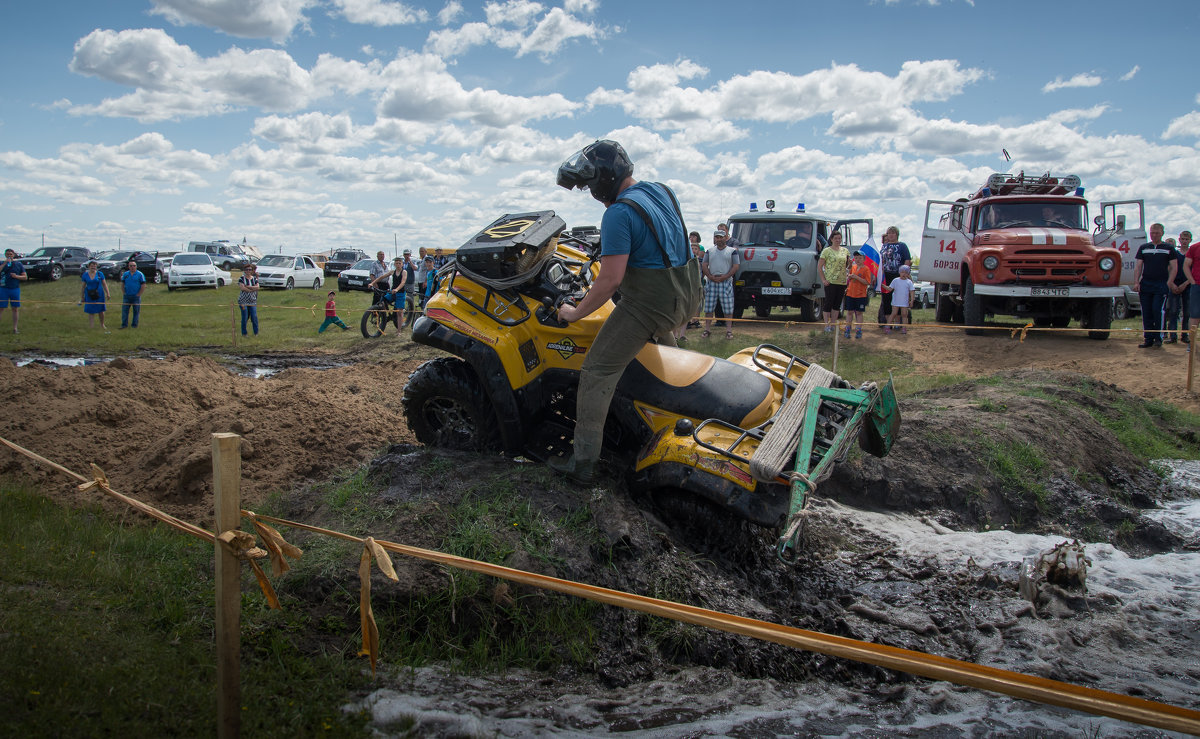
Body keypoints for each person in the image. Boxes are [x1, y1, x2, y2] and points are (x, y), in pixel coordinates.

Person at [551, 139, 701, 483]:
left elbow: (609, 282)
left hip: (652, 303)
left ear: (602, 179)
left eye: (589, 183)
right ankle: (678, 401)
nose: (589, 189)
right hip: (687, 295)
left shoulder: (617, 212)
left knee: (596, 371)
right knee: (662, 351)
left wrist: (575, 313)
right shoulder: (660, 190)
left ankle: (583, 464)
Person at [1132, 223, 1177, 349]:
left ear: (1162, 233)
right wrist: (1136, 282)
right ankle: (1148, 338)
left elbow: (1174, 267)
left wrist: (1170, 281)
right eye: (1152, 232)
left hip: (1161, 284)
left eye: (1157, 233)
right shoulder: (1144, 247)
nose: (1154, 235)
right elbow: (1138, 266)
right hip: (1146, 283)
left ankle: (1159, 337)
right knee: (1146, 311)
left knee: (1157, 310)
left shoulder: (1168, 248)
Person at [701, 228, 739, 339]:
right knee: (708, 307)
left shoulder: (732, 251)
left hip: (726, 281)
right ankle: (707, 330)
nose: (719, 239)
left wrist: (726, 276)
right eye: (717, 237)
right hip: (712, 281)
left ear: (725, 238)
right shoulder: (709, 251)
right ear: (715, 239)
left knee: (728, 308)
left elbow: (736, 266)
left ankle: (729, 331)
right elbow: (704, 265)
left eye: (721, 237)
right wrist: (710, 276)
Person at [877, 226, 911, 326]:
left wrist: (904, 273)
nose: (891, 235)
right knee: (886, 298)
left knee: (898, 298)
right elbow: (880, 261)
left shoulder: (902, 246)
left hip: (898, 275)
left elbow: (907, 260)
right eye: (889, 233)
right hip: (885, 275)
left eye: (893, 233)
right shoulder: (884, 246)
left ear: (897, 235)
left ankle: (897, 321)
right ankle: (888, 322)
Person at [817, 230, 850, 332]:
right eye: (835, 238)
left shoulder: (845, 251)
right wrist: (823, 280)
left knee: (837, 304)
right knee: (828, 303)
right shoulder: (826, 251)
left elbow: (847, 265)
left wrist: (850, 264)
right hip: (830, 281)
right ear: (831, 239)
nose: (838, 240)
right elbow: (819, 267)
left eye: (839, 238)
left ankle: (833, 323)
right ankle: (827, 324)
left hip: (842, 281)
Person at [367, 257, 408, 336]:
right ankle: (385, 315)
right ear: (394, 264)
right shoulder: (393, 271)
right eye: (396, 263)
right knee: (383, 300)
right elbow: (381, 277)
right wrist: (372, 283)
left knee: (399, 313)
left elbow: (403, 282)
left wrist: (397, 289)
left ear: (402, 264)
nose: (398, 264)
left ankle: (399, 331)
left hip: (400, 293)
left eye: (400, 263)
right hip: (392, 292)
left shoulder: (404, 272)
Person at [1165, 231, 1191, 344]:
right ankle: (1172, 336)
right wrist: (1171, 283)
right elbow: (1169, 269)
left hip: (1188, 285)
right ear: (1179, 239)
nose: (1184, 241)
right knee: (1173, 311)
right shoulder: (1174, 253)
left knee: (1187, 312)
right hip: (1174, 284)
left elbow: (1194, 272)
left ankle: (1185, 335)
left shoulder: (1191, 253)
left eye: (1187, 239)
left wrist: (1185, 284)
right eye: (1183, 239)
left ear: (1190, 240)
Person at [843, 250, 872, 339]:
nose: (858, 260)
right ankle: (848, 328)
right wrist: (850, 276)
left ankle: (858, 329)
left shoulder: (866, 269)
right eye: (856, 258)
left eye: (860, 258)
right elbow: (848, 275)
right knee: (849, 312)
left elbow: (867, 282)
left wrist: (856, 277)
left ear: (864, 259)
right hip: (850, 293)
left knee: (859, 312)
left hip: (861, 294)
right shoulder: (853, 267)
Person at [0, 248, 28, 334]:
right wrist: (5, 263)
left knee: (15, 309)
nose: (9, 256)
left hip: (14, 289)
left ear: (14, 255)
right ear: (5, 255)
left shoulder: (18, 264)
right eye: (7, 254)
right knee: (1, 308)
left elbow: (25, 277)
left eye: (11, 254)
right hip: (3, 288)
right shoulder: (1, 263)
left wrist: (16, 277)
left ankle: (15, 328)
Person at [79, 260, 110, 331]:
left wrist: (108, 293)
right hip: (89, 294)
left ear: (96, 266)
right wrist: (82, 297)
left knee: (101, 310)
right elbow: (83, 286)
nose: (93, 267)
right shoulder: (85, 275)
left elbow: (104, 284)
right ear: (89, 266)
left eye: (95, 266)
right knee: (91, 310)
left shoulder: (100, 274)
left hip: (99, 294)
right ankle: (91, 326)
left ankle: (102, 324)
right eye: (92, 266)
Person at [886, 265, 916, 334]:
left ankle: (904, 328)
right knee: (894, 313)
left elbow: (912, 291)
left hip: (904, 301)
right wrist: (882, 286)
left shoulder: (909, 282)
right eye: (902, 272)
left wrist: (912, 300)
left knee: (904, 314)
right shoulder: (895, 280)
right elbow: (890, 288)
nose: (904, 274)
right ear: (899, 272)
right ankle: (887, 327)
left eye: (906, 273)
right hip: (896, 301)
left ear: (908, 274)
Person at [118, 258, 146, 329]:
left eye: (134, 265)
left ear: (136, 266)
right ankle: (124, 325)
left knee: (136, 311)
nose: (132, 267)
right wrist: (124, 292)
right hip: (127, 296)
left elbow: (143, 285)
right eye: (131, 266)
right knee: (125, 311)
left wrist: (139, 294)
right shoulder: (125, 274)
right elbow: (122, 284)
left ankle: (134, 325)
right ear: (128, 267)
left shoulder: (140, 274)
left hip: (136, 296)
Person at [1184, 231, 1200, 352]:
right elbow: (1186, 265)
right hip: (1197, 286)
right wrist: (1192, 281)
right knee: (1194, 315)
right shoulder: (1195, 247)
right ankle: (1192, 342)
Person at [238, 263, 260, 336]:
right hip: (243, 301)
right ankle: (244, 333)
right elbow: (242, 288)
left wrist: (249, 287)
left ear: (251, 271)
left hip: (252, 301)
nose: (248, 271)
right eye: (247, 270)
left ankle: (256, 333)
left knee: (254, 317)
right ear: (244, 271)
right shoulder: (242, 278)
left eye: (250, 269)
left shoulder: (254, 279)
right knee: (245, 317)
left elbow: (257, 287)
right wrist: (251, 289)